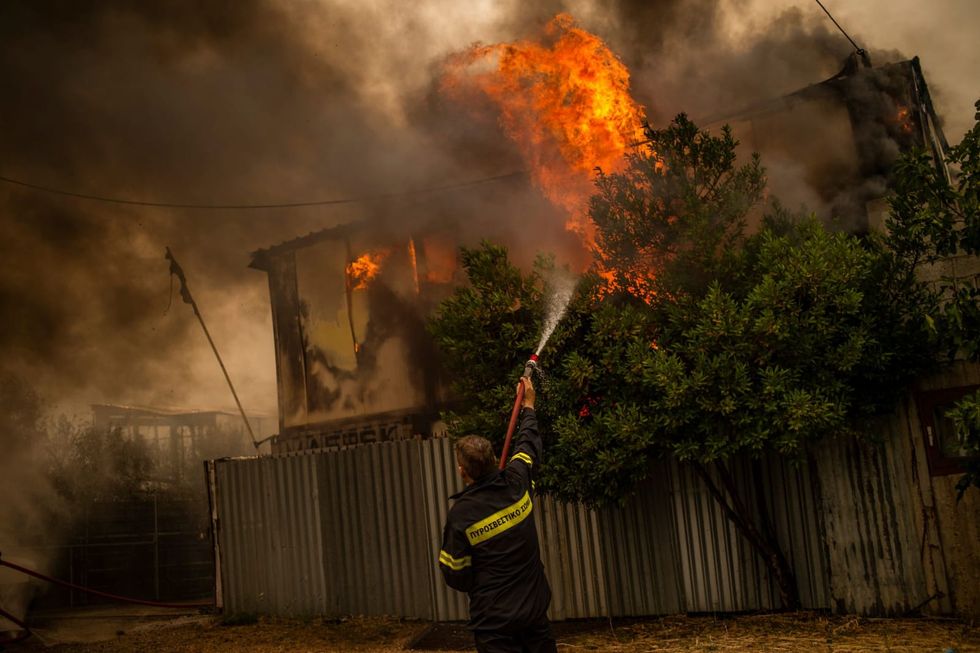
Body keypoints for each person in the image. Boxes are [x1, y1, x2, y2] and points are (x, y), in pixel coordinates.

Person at [438, 376, 556, 653]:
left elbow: (455, 574)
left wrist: (482, 581)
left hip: (494, 628)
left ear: (462, 472)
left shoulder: (462, 516)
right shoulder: (516, 482)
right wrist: (528, 404)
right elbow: (527, 444)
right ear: (493, 460)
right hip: (533, 616)